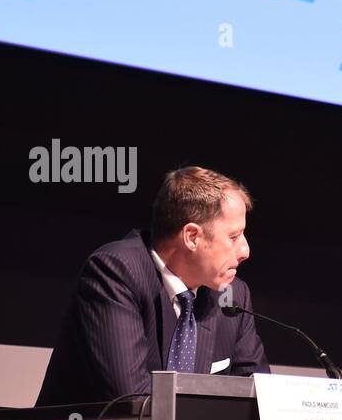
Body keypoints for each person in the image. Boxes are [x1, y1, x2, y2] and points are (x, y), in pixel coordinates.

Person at [36, 166, 268, 405]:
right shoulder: (116, 273)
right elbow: (132, 400)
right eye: (233, 236)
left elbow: (260, 401)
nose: (245, 251)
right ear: (191, 237)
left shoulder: (232, 296)